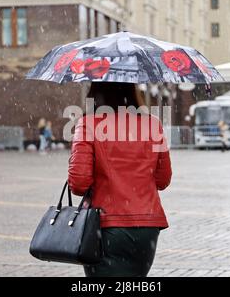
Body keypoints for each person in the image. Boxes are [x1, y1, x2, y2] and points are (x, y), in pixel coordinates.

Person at [68, 82, 172, 277]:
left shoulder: (89, 124)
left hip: (105, 226)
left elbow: (79, 183)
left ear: (95, 92)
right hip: (147, 226)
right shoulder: (152, 124)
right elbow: (163, 178)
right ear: (132, 90)